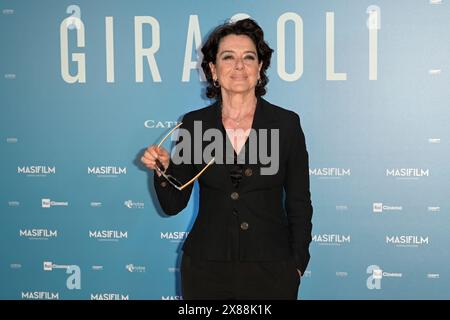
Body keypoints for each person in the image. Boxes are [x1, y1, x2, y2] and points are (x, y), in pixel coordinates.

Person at [141, 18, 313, 300]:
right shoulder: (195, 126)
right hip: (206, 271)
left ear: (259, 69)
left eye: (249, 57)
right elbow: (173, 204)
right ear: (213, 70)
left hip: (273, 270)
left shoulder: (286, 124)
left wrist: (296, 264)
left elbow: (299, 203)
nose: (239, 66)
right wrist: (163, 169)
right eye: (228, 57)